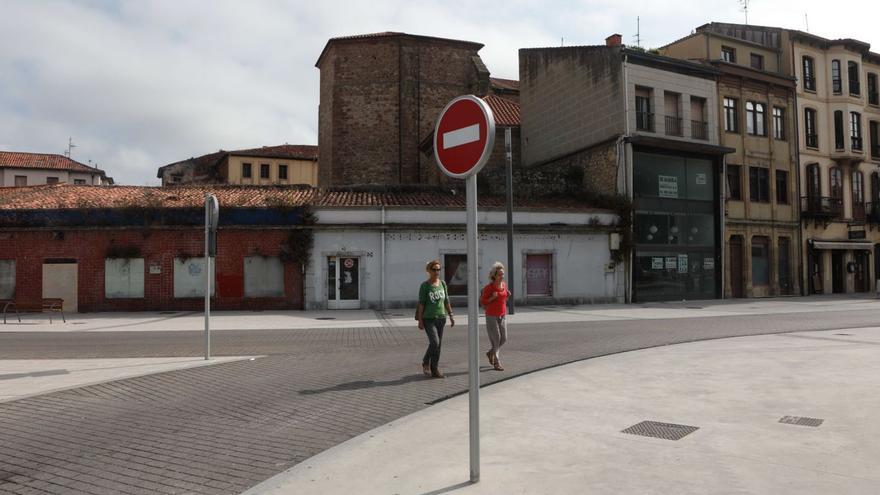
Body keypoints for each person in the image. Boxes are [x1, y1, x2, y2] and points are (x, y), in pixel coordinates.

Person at [416, 260, 455, 378]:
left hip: (441, 318)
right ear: (429, 271)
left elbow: (446, 300)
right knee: (435, 342)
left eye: (439, 269)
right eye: (434, 269)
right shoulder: (425, 286)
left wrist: (451, 315)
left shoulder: (442, 284)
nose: (437, 272)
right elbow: (421, 304)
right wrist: (420, 320)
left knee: (438, 345)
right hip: (429, 319)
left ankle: (435, 369)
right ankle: (425, 361)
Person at [480, 261, 510, 371]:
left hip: (502, 315)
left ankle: (490, 352)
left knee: (504, 338)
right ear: (494, 275)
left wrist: (508, 296)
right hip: (491, 316)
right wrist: (492, 298)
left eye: (503, 274)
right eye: (500, 274)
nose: (502, 276)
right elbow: (483, 302)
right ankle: (497, 362)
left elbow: (503, 299)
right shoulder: (489, 288)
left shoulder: (504, 285)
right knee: (496, 339)